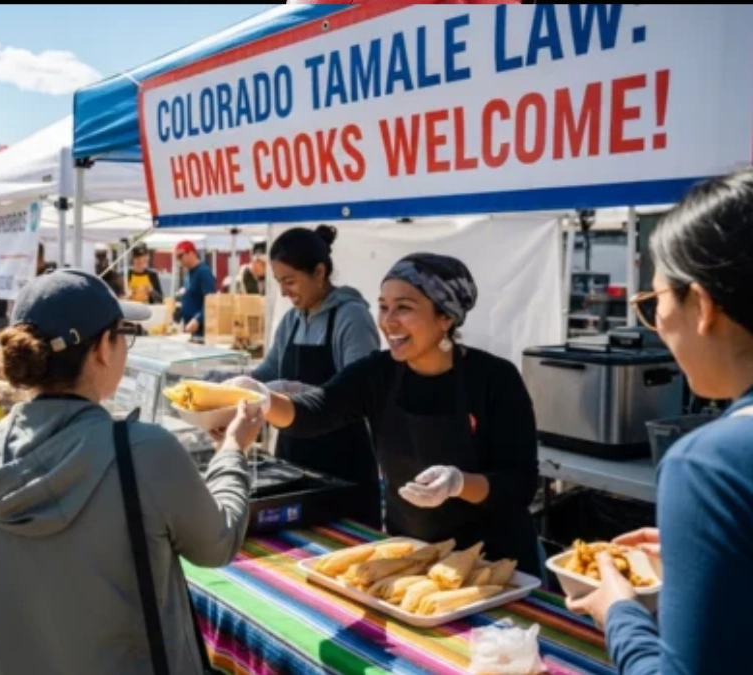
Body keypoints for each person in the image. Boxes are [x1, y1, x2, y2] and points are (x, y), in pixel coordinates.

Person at [0, 270, 261, 675]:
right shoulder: (144, 451)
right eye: (123, 333)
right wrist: (233, 450)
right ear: (101, 349)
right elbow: (217, 544)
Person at [245, 253, 543, 576]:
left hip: (494, 566)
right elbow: (316, 410)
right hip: (415, 559)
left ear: (445, 317)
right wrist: (258, 397)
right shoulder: (378, 374)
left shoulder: (495, 379)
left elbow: (520, 485)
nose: (387, 321)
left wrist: (459, 483)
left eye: (404, 307)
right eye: (384, 307)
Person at [566, 168, 753, 675]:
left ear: (703, 305)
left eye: (653, 304)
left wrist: (618, 612)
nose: (657, 327)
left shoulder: (710, 464)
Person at [250, 225, 383, 526]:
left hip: (341, 460)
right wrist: (235, 383)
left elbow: (361, 391)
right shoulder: (291, 320)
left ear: (319, 272)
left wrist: (291, 390)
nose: (284, 292)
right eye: (278, 282)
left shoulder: (351, 317)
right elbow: (269, 370)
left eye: (290, 281)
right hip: (293, 457)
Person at [173, 240, 216, 340]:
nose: (179, 260)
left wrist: (198, 319)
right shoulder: (188, 273)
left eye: (180, 256)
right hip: (190, 330)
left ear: (191, 253)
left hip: (201, 331)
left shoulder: (203, 272)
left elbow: (211, 302)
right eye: (177, 258)